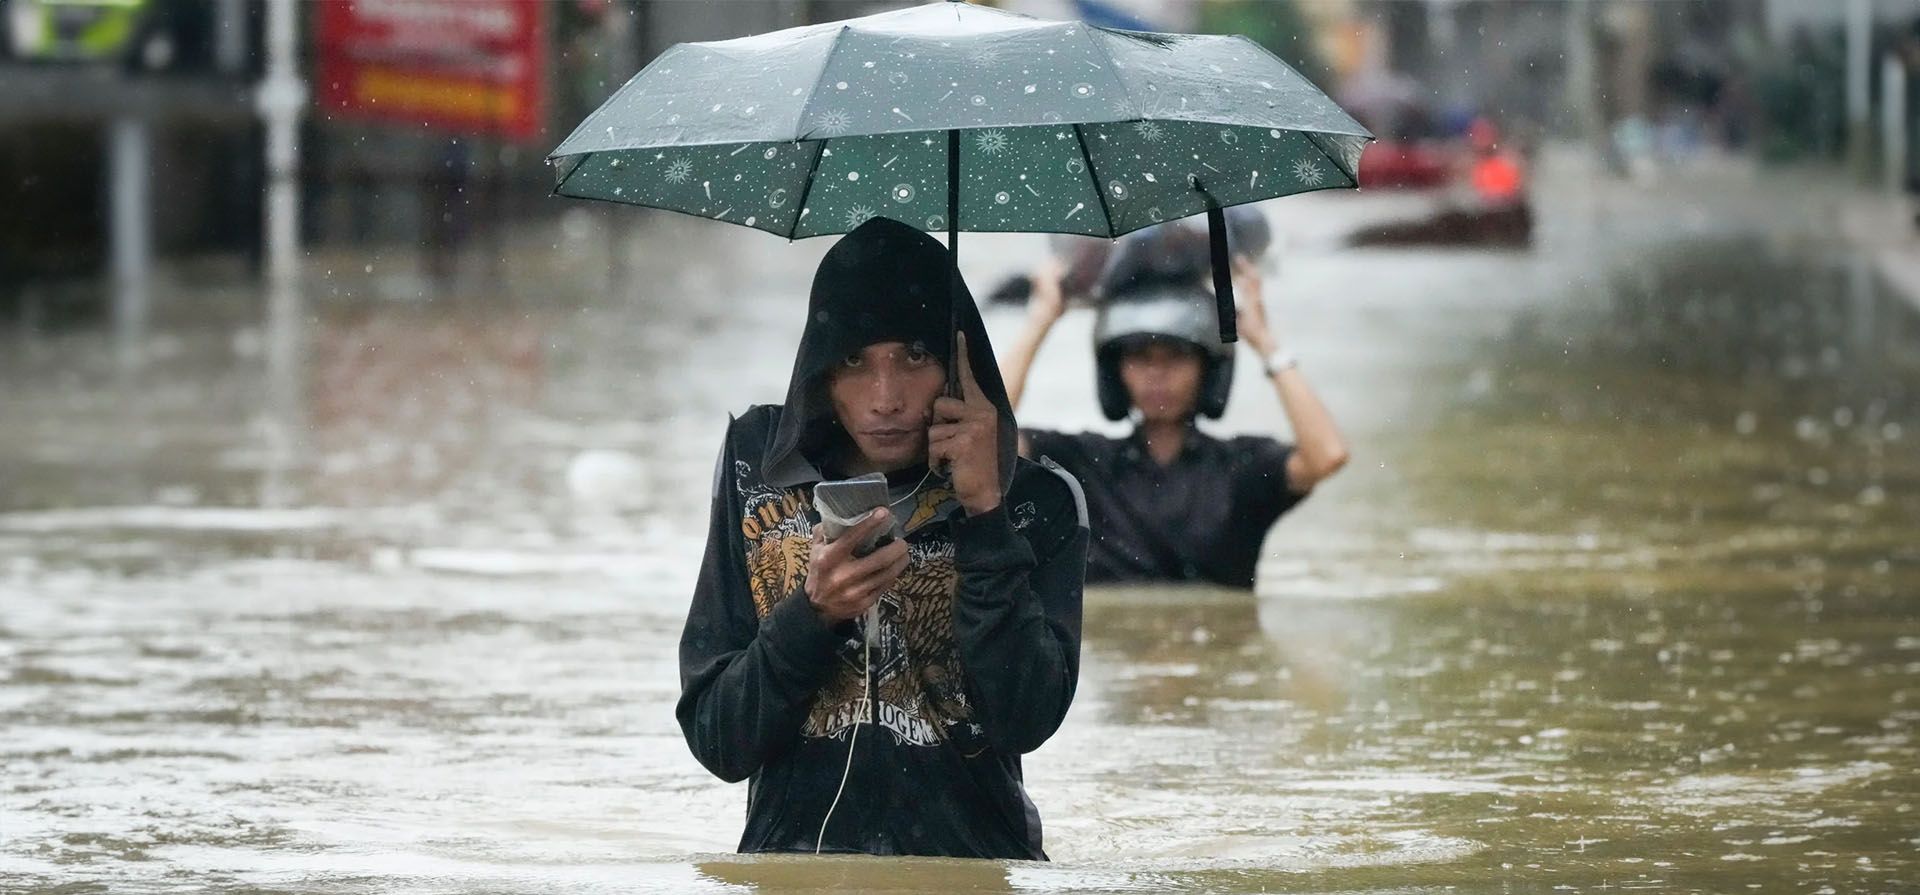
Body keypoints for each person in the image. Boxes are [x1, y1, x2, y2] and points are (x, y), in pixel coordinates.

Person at [677, 216, 1089, 859]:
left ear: (960, 363)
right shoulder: (756, 470)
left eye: (916, 358)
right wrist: (811, 616)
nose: (886, 397)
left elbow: (1025, 718)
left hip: (970, 870)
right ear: (818, 372)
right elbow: (720, 742)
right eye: (853, 362)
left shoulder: (1038, 503)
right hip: (794, 870)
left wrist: (984, 514)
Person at [998, 217, 1348, 589]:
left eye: (1176, 357)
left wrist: (1266, 343)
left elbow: (1326, 454)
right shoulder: (1083, 467)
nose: (1157, 374)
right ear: (1116, 371)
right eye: (1140, 358)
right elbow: (989, 437)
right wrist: (1040, 321)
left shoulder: (1241, 471)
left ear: (1207, 369)